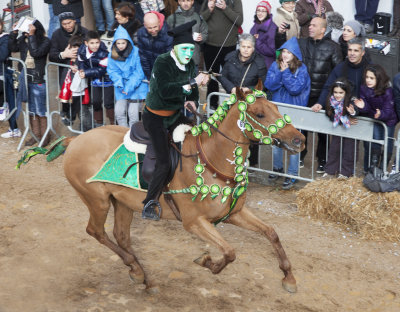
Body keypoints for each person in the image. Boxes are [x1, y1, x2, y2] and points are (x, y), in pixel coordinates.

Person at [140, 21, 209, 220]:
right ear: (175, 48)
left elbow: (192, 89)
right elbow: (165, 90)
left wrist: (192, 101)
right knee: (163, 163)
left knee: (198, 134)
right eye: (184, 49)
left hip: (174, 115)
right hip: (155, 118)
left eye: (191, 49)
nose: (188, 53)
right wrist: (192, 83)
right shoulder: (162, 62)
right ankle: (149, 202)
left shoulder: (190, 64)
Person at [265, 37, 311, 189]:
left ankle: (292, 174)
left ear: (295, 55)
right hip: (278, 111)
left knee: (293, 143)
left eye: (289, 52)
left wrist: (284, 73)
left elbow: (295, 89)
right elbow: (269, 84)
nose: (285, 55)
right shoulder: (275, 65)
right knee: (276, 141)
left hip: (295, 111)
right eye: (283, 51)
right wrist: (280, 73)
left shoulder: (302, 69)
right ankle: (277, 168)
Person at [298, 16, 342, 172]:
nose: (310, 27)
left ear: (323, 29)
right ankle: (300, 155)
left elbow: (339, 73)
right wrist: (280, 35)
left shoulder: (333, 48)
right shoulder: (301, 42)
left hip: (323, 96)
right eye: (310, 24)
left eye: (314, 25)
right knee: (301, 128)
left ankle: (322, 160)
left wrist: (333, 96)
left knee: (323, 132)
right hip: (303, 94)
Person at [218, 33, 267, 168]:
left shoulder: (259, 63)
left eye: (249, 47)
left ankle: (251, 163)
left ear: (253, 48)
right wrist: (231, 88)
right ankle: (229, 158)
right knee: (231, 130)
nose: (245, 49)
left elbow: (264, 83)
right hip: (233, 101)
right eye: (243, 46)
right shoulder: (230, 59)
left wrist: (249, 89)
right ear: (239, 46)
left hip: (250, 104)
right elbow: (222, 76)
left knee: (251, 132)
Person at [8, 19, 51, 146]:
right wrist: (14, 33)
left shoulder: (45, 41)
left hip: (38, 80)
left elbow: (36, 53)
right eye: (25, 31)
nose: (25, 33)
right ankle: (36, 136)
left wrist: (31, 36)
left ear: (35, 29)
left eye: (28, 30)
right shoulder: (23, 39)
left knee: (40, 110)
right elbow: (12, 47)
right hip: (25, 79)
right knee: (31, 110)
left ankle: (45, 137)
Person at [354, 64, 398, 172]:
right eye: (367, 77)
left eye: (372, 78)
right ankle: (373, 169)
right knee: (375, 142)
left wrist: (381, 114)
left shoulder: (387, 90)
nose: (368, 80)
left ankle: (383, 168)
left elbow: (389, 110)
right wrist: (363, 107)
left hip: (389, 120)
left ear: (379, 78)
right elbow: (367, 107)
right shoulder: (364, 88)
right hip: (375, 117)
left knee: (388, 143)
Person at [200, 0, 243, 109]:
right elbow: (200, 20)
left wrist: (225, 8)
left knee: (230, 77)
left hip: (229, 46)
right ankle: (212, 106)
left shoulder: (235, 1)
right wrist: (209, 10)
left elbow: (239, 20)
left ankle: (232, 105)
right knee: (211, 77)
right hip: (210, 45)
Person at [107, 26, 149, 127]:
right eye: (118, 43)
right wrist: (119, 83)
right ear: (115, 43)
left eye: (123, 43)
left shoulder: (136, 52)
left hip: (137, 87)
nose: (121, 46)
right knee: (119, 112)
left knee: (133, 114)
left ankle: (132, 137)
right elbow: (112, 71)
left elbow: (139, 72)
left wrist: (129, 86)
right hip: (122, 88)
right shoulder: (112, 54)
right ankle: (123, 135)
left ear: (128, 42)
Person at [77, 31, 115, 129]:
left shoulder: (104, 53)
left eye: (97, 42)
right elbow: (81, 61)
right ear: (86, 43)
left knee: (108, 103)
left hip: (107, 80)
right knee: (96, 101)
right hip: (94, 80)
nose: (95, 45)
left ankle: (113, 123)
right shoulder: (82, 50)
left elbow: (102, 70)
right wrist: (81, 69)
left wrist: (86, 73)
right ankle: (99, 124)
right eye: (92, 43)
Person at [323, 78, 358, 178]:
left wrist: (352, 113)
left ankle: (345, 173)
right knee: (334, 149)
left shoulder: (351, 100)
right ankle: (330, 171)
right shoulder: (330, 101)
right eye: (335, 92)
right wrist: (344, 120)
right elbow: (329, 114)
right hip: (338, 130)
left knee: (349, 150)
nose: (337, 95)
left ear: (346, 93)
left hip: (351, 131)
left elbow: (356, 110)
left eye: (341, 93)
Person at [166, 0, 208, 71]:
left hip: (194, 58)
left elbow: (204, 32)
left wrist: (202, 37)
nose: (185, 3)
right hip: (177, 58)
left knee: (193, 80)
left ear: (192, 2)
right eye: (183, 1)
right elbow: (166, 36)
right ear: (179, 2)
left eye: (188, 0)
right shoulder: (172, 18)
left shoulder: (198, 17)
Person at [137, 11, 173, 80]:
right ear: (144, 25)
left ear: (159, 22)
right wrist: (149, 77)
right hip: (150, 67)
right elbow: (143, 57)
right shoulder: (141, 33)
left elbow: (169, 58)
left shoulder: (168, 34)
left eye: (155, 27)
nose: (153, 30)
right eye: (150, 28)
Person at [0, 18, 20, 139]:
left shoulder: (5, 38)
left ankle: (14, 128)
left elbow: (2, 55)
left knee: (9, 101)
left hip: (4, 74)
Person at [250, 1, 277, 70]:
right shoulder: (256, 24)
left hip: (266, 65)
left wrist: (256, 41)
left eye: (263, 11)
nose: (260, 13)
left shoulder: (272, 28)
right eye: (258, 10)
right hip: (256, 62)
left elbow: (272, 51)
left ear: (268, 13)